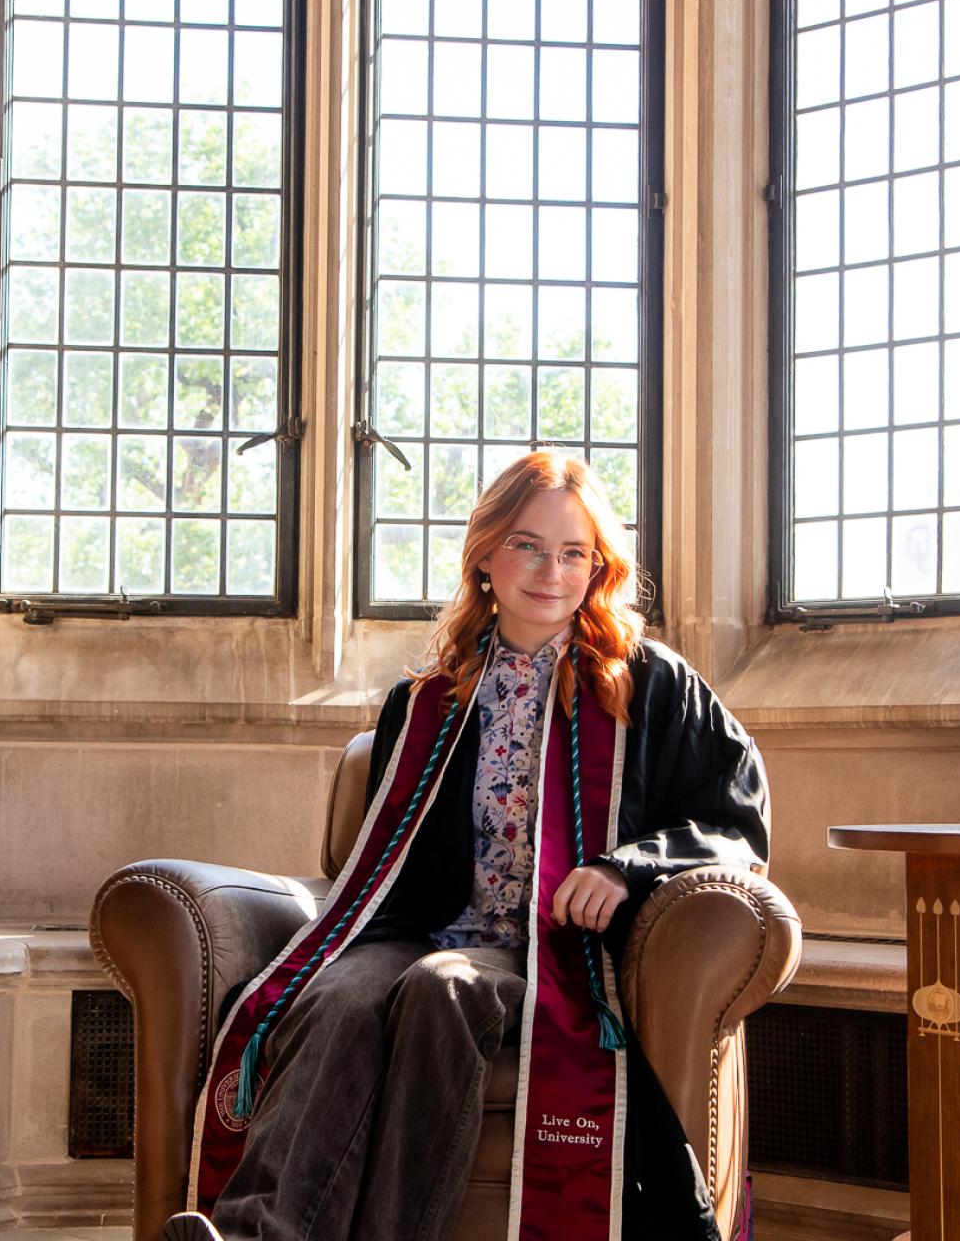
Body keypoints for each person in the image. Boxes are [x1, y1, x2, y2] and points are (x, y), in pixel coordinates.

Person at [165, 451, 769, 1241]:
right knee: (339, 998)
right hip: (421, 929)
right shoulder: (425, 702)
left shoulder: (649, 683)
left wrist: (626, 868)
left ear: (599, 566)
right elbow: (382, 866)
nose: (550, 570)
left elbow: (737, 818)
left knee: (440, 990)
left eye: (573, 551)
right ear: (486, 554)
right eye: (526, 544)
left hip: (548, 951)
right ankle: (250, 1236)